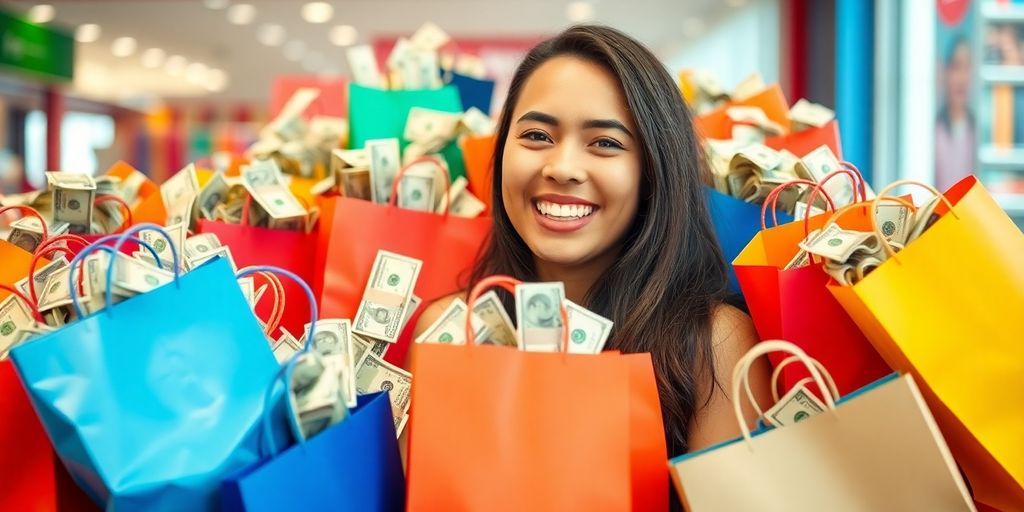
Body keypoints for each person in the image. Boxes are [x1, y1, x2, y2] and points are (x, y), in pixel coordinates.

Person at [410, 24, 771, 505]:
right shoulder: (450, 330)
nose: (561, 167)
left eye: (604, 143)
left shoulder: (715, 346)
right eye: (537, 135)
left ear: (653, 170)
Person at [935, 35, 976, 191]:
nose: (962, 78)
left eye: (967, 69)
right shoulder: (934, 131)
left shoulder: (980, 132)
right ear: (945, 72)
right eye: (956, 67)